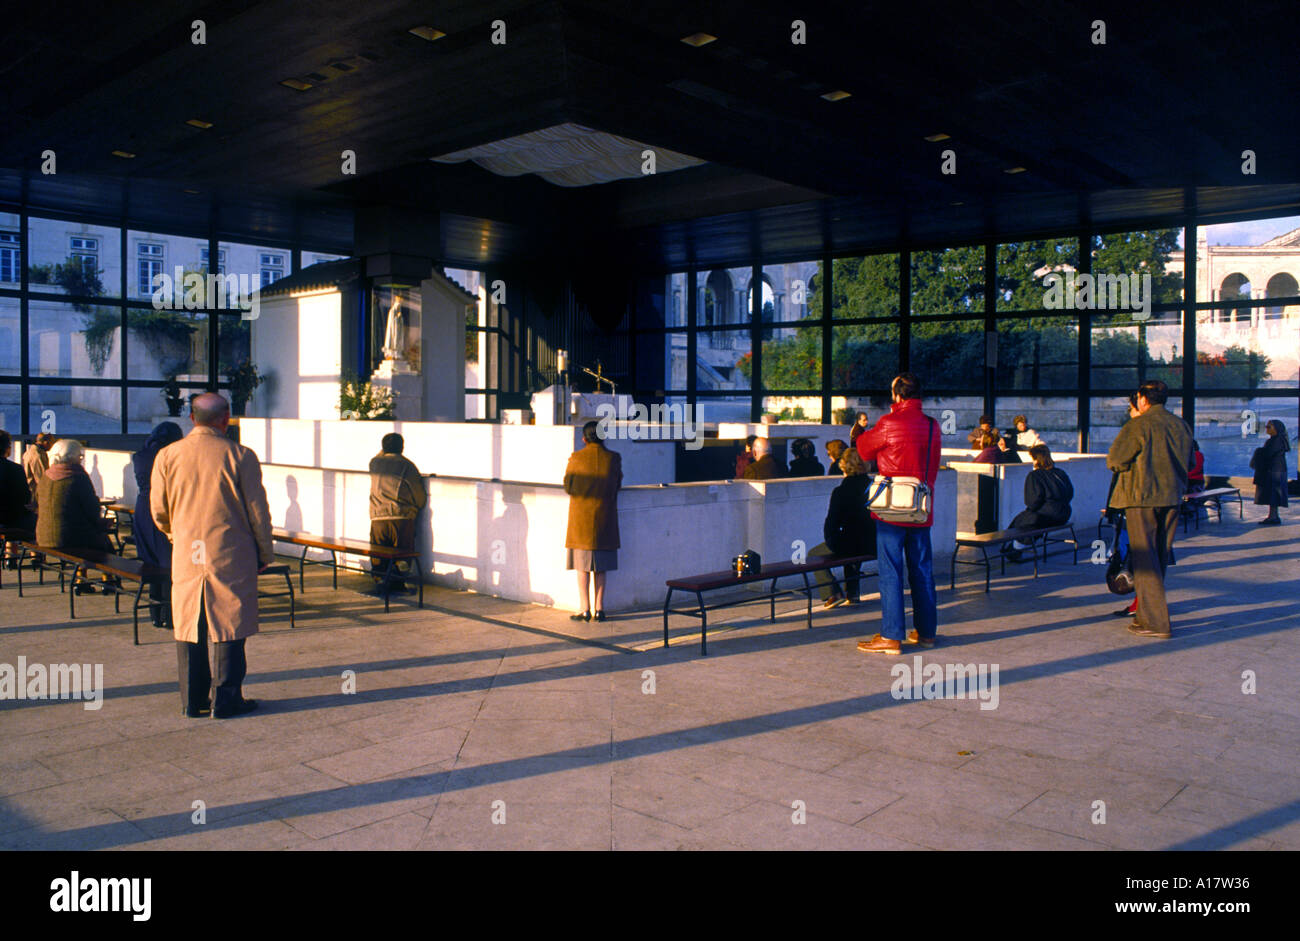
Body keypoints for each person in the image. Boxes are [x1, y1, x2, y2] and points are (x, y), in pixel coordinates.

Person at [151, 393, 273, 719]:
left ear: (192, 418)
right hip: (230, 549)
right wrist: (265, 550)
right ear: (226, 419)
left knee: (191, 621)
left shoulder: (167, 455)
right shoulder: (241, 456)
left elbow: (159, 510)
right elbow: (257, 512)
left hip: (188, 549)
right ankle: (227, 699)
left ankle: (193, 700)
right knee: (229, 620)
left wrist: (174, 533)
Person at [855, 372, 942, 654]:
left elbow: (864, 450)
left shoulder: (889, 423)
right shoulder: (932, 425)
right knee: (922, 570)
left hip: (891, 510)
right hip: (920, 509)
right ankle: (927, 632)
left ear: (897, 395)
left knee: (891, 572)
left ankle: (892, 636)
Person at [1106, 380, 1192, 639]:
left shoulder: (1138, 425)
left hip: (1142, 498)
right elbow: (1188, 460)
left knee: (1145, 561)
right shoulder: (1181, 426)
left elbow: (1115, 460)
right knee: (1159, 557)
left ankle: (1156, 623)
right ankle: (1145, 616)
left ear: (1143, 399)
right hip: (1172, 497)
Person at [36, 439, 115, 593]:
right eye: (80, 457)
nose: (81, 460)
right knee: (104, 542)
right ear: (72, 458)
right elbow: (92, 510)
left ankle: (82, 579)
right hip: (69, 537)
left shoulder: (46, 476)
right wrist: (102, 523)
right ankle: (109, 581)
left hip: (43, 535)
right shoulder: (78, 476)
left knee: (87, 536)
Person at [564, 420, 622, 623]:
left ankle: (584, 609)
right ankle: (600, 609)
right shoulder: (613, 458)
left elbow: (568, 486)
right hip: (605, 520)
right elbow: (617, 484)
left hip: (581, 523)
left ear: (584, 438)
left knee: (582, 568)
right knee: (601, 568)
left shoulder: (576, 458)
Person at [131, 421, 184, 627]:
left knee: (150, 562)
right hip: (165, 507)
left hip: (143, 508)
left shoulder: (140, 456)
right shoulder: (171, 456)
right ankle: (171, 615)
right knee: (169, 564)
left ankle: (155, 614)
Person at [810, 449, 877, 608]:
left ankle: (832, 592)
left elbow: (832, 523)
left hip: (850, 543)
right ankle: (852, 593)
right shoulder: (874, 487)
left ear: (844, 466)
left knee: (813, 555)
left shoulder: (841, 491)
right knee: (853, 551)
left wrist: (833, 542)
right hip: (874, 542)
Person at [368, 433, 427, 593]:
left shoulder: (374, 463)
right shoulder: (407, 466)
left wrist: (384, 450)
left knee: (379, 553)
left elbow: (379, 455)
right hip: (401, 518)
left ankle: (380, 580)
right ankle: (398, 583)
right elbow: (419, 495)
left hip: (378, 518)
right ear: (402, 447)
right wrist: (419, 505)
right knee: (402, 554)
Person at [1003, 445, 1074, 562]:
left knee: (1023, 521)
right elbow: (1070, 493)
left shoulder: (1035, 475)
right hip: (1064, 513)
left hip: (1048, 515)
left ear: (1036, 459)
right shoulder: (1060, 473)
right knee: (1029, 520)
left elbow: (1032, 501)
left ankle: (1014, 549)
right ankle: (1014, 548)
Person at [0, 431, 36, 569]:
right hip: (12, 519)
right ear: (7, 448)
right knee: (34, 522)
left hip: (7, 520)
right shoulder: (15, 469)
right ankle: (35, 558)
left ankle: (11, 557)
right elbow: (25, 497)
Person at [1251, 420, 1289, 525]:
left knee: (1273, 494)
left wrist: (1258, 451)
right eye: (1266, 426)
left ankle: (1273, 516)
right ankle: (1273, 516)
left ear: (1276, 428)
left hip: (1274, 471)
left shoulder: (1276, 441)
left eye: (1269, 427)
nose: (1267, 428)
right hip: (1276, 470)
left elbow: (1268, 453)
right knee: (1273, 495)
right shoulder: (1278, 440)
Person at [23, 432, 55, 512]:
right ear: (45, 442)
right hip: (35, 496)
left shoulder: (31, 451)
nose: (52, 446)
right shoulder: (37, 455)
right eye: (51, 443)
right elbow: (41, 479)